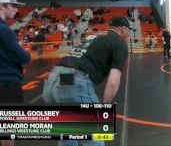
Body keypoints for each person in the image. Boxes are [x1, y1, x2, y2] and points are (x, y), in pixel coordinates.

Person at [42, 16, 134, 146]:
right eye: (128, 29)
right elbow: (113, 81)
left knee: (68, 134)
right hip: (74, 81)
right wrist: (103, 108)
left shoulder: (93, 36)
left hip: (54, 79)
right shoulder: (119, 43)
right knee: (95, 136)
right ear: (123, 29)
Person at [0, 0, 31, 146]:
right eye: (13, 6)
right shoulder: (2, 29)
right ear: (2, 7)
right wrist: (21, 53)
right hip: (7, 84)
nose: (16, 10)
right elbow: (24, 57)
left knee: (0, 125)